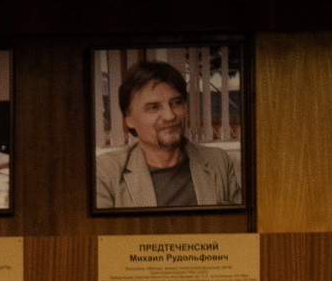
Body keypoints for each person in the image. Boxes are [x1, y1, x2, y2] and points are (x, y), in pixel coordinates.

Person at [93, 59, 243, 210]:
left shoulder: (218, 162)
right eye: (153, 107)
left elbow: (241, 228)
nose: (170, 116)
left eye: (177, 103)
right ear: (129, 120)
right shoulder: (106, 172)